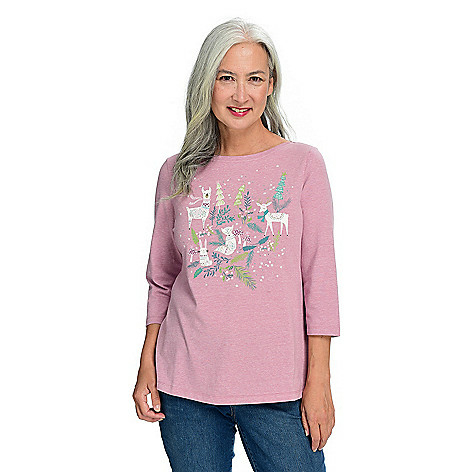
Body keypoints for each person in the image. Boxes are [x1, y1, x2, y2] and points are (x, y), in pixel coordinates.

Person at [132, 17, 340, 472]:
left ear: (271, 86)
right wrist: (147, 362)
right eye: (226, 78)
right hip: (185, 388)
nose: (240, 95)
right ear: (207, 83)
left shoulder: (302, 164)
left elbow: (319, 280)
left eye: (254, 79)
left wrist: (319, 380)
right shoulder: (177, 172)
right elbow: (162, 278)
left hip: (280, 388)